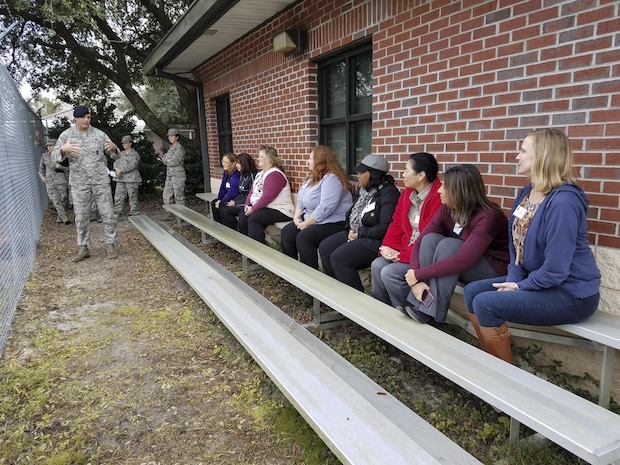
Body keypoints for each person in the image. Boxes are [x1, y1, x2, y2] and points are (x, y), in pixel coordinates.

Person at [464, 128, 601, 364]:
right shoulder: (528, 192)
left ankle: (502, 379)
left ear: (542, 156)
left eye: (523, 150)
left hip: (570, 294)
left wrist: (520, 287)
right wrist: (515, 279)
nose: (517, 156)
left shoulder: (564, 202)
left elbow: (557, 269)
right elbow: (515, 244)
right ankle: (491, 360)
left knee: (485, 303)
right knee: (472, 291)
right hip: (541, 283)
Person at [391, 164, 509, 325]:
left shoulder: (488, 217)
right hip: (462, 263)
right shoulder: (447, 209)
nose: (439, 190)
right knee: (430, 239)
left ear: (459, 191)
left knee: (449, 245)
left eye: (444, 187)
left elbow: (462, 260)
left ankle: (433, 316)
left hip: (492, 270)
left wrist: (417, 274)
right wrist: (417, 280)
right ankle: (421, 303)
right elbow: (420, 242)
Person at [370, 152, 442, 305]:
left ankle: (407, 312)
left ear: (421, 175)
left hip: (423, 254)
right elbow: (396, 223)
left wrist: (402, 256)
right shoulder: (407, 193)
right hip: (403, 250)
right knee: (377, 265)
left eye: (406, 170)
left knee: (389, 273)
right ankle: (380, 309)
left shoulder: (439, 197)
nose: (402, 175)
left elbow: (428, 236)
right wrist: (387, 247)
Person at [318, 154, 399, 291]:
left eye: (362, 172)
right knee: (325, 247)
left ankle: (354, 303)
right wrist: (350, 228)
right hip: (356, 234)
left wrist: (359, 233)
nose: (358, 176)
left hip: (375, 241)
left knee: (339, 258)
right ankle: (335, 292)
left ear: (373, 174)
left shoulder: (389, 193)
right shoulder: (363, 191)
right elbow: (352, 215)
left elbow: (384, 228)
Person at [52, 105, 119, 261]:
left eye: (89, 117)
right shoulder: (66, 135)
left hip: (100, 181)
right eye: (84, 117)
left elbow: (114, 155)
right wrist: (63, 149)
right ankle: (83, 248)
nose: (87, 120)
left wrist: (115, 149)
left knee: (108, 213)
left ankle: (111, 245)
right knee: (81, 216)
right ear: (76, 118)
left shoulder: (100, 135)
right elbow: (53, 157)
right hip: (79, 182)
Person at [281, 146, 353, 269]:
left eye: (310, 158)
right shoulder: (311, 178)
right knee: (287, 232)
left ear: (320, 161)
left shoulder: (332, 179)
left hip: (333, 222)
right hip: (311, 218)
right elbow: (300, 199)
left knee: (304, 238)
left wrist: (306, 224)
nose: (307, 161)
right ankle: (291, 270)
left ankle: (310, 277)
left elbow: (325, 207)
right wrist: (297, 217)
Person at [238, 146, 294, 243]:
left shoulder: (275, 174)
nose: (258, 159)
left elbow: (267, 197)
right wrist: (247, 204)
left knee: (255, 218)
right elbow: (252, 191)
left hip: (281, 210)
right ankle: (246, 246)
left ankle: (259, 252)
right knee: (243, 215)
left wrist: (253, 209)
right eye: (258, 156)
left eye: (261, 157)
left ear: (270, 159)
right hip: (266, 208)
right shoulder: (261, 174)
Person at [220, 153, 257, 230]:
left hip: (248, 205)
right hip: (241, 202)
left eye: (238, 163)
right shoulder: (242, 175)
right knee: (223, 207)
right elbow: (240, 193)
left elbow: (252, 195)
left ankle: (234, 235)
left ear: (244, 164)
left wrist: (236, 203)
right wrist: (234, 201)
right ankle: (225, 232)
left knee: (227, 211)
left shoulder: (252, 176)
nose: (236, 165)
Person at [38, 138, 71, 225]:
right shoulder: (44, 156)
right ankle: (64, 217)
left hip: (60, 179)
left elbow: (70, 168)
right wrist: (42, 177)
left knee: (64, 197)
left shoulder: (63, 156)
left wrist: (61, 167)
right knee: (55, 199)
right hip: (50, 180)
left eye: (51, 145)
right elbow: (41, 169)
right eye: (48, 146)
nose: (49, 147)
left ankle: (60, 216)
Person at [111, 135, 142, 219]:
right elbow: (116, 161)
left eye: (125, 143)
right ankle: (117, 212)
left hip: (132, 178)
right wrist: (116, 168)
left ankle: (134, 213)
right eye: (123, 143)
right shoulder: (121, 153)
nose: (124, 145)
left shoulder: (135, 154)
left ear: (130, 143)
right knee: (118, 196)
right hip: (121, 178)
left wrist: (121, 170)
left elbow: (132, 165)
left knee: (132, 196)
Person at [161, 128, 186, 217]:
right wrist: (167, 160)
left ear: (177, 137)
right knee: (166, 194)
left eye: (172, 136)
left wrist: (168, 160)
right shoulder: (171, 148)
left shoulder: (179, 148)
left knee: (178, 196)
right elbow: (163, 159)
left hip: (178, 175)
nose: (170, 138)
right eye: (169, 136)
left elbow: (174, 161)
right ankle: (170, 213)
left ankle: (182, 215)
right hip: (170, 175)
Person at [211, 152, 240, 224]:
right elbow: (222, 187)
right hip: (227, 197)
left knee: (222, 205)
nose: (223, 164)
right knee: (214, 203)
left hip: (235, 198)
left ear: (233, 164)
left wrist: (222, 200)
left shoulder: (236, 174)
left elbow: (233, 191)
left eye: (225, 162)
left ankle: (227, 228)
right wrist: (219, 199)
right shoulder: (226, 172)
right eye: (222, 161)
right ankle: (218, 226)